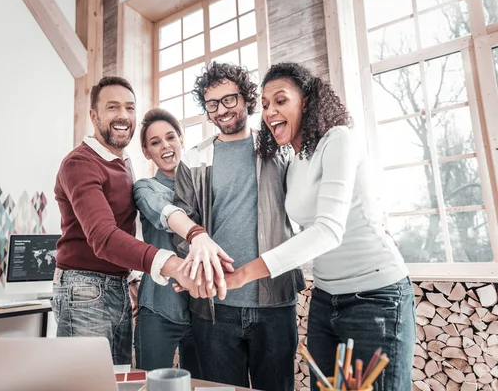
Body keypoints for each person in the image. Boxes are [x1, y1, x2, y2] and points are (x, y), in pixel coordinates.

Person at [224, 62, 415, 390]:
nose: (270, 111)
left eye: (281, 100)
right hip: (326, 299)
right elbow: (302, 230)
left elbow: (328, 230)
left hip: (377, 297)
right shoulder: (295, 162)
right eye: (266, 104)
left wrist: (241, 274)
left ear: (307, 102)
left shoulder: (338, 139)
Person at [163, 61, 306, 391]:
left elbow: (305, 207)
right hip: (215, 307)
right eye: (212, 104)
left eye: (229, 99)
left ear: (247, 99)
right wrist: (201, 268)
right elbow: (183, 228)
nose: (222, 110)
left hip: (275, 302)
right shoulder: (194, 160)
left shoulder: (278, 149)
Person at [51, 76, 199, 365]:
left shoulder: (122, 162)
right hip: (84, 289)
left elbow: (120, 227)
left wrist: (129, 276)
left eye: (130, 108)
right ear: (93, 115)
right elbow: (103, 236)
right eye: (112, 107)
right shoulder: (80, 163)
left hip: (115, 285)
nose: (123, 115)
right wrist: (171, 265)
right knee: (88, 384)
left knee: (118, 380)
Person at [131, 108, 202, 377]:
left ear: (181, 139)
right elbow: (163, 214)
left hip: (201, 310)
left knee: (201, 385)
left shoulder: (202, 184)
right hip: (159, 308)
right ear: (147, 152)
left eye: (170, 137)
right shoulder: (145, 187)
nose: (165, 146)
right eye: (155, 142)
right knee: (151, 385)